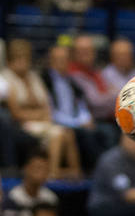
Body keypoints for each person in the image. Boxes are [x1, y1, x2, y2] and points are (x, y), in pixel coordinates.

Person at [2, 38, 82, 178]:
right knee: (57, 135)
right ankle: (52, 174)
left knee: (68, 133)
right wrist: (38, 114)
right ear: (10, 60)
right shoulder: (6, 79)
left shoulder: (34, 77)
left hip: (41, 122)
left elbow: (46, 104)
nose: (23, 62)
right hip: (21, 125)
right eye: (19, 58)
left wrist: (37, 111)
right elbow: (15, 113)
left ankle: (75, 173)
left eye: (26, 58)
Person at [3, 150, 59, 216]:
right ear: (26, 168)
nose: (41, 173)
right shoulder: (13, 198)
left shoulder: (51, 198)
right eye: (37, 168)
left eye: (45, 169)